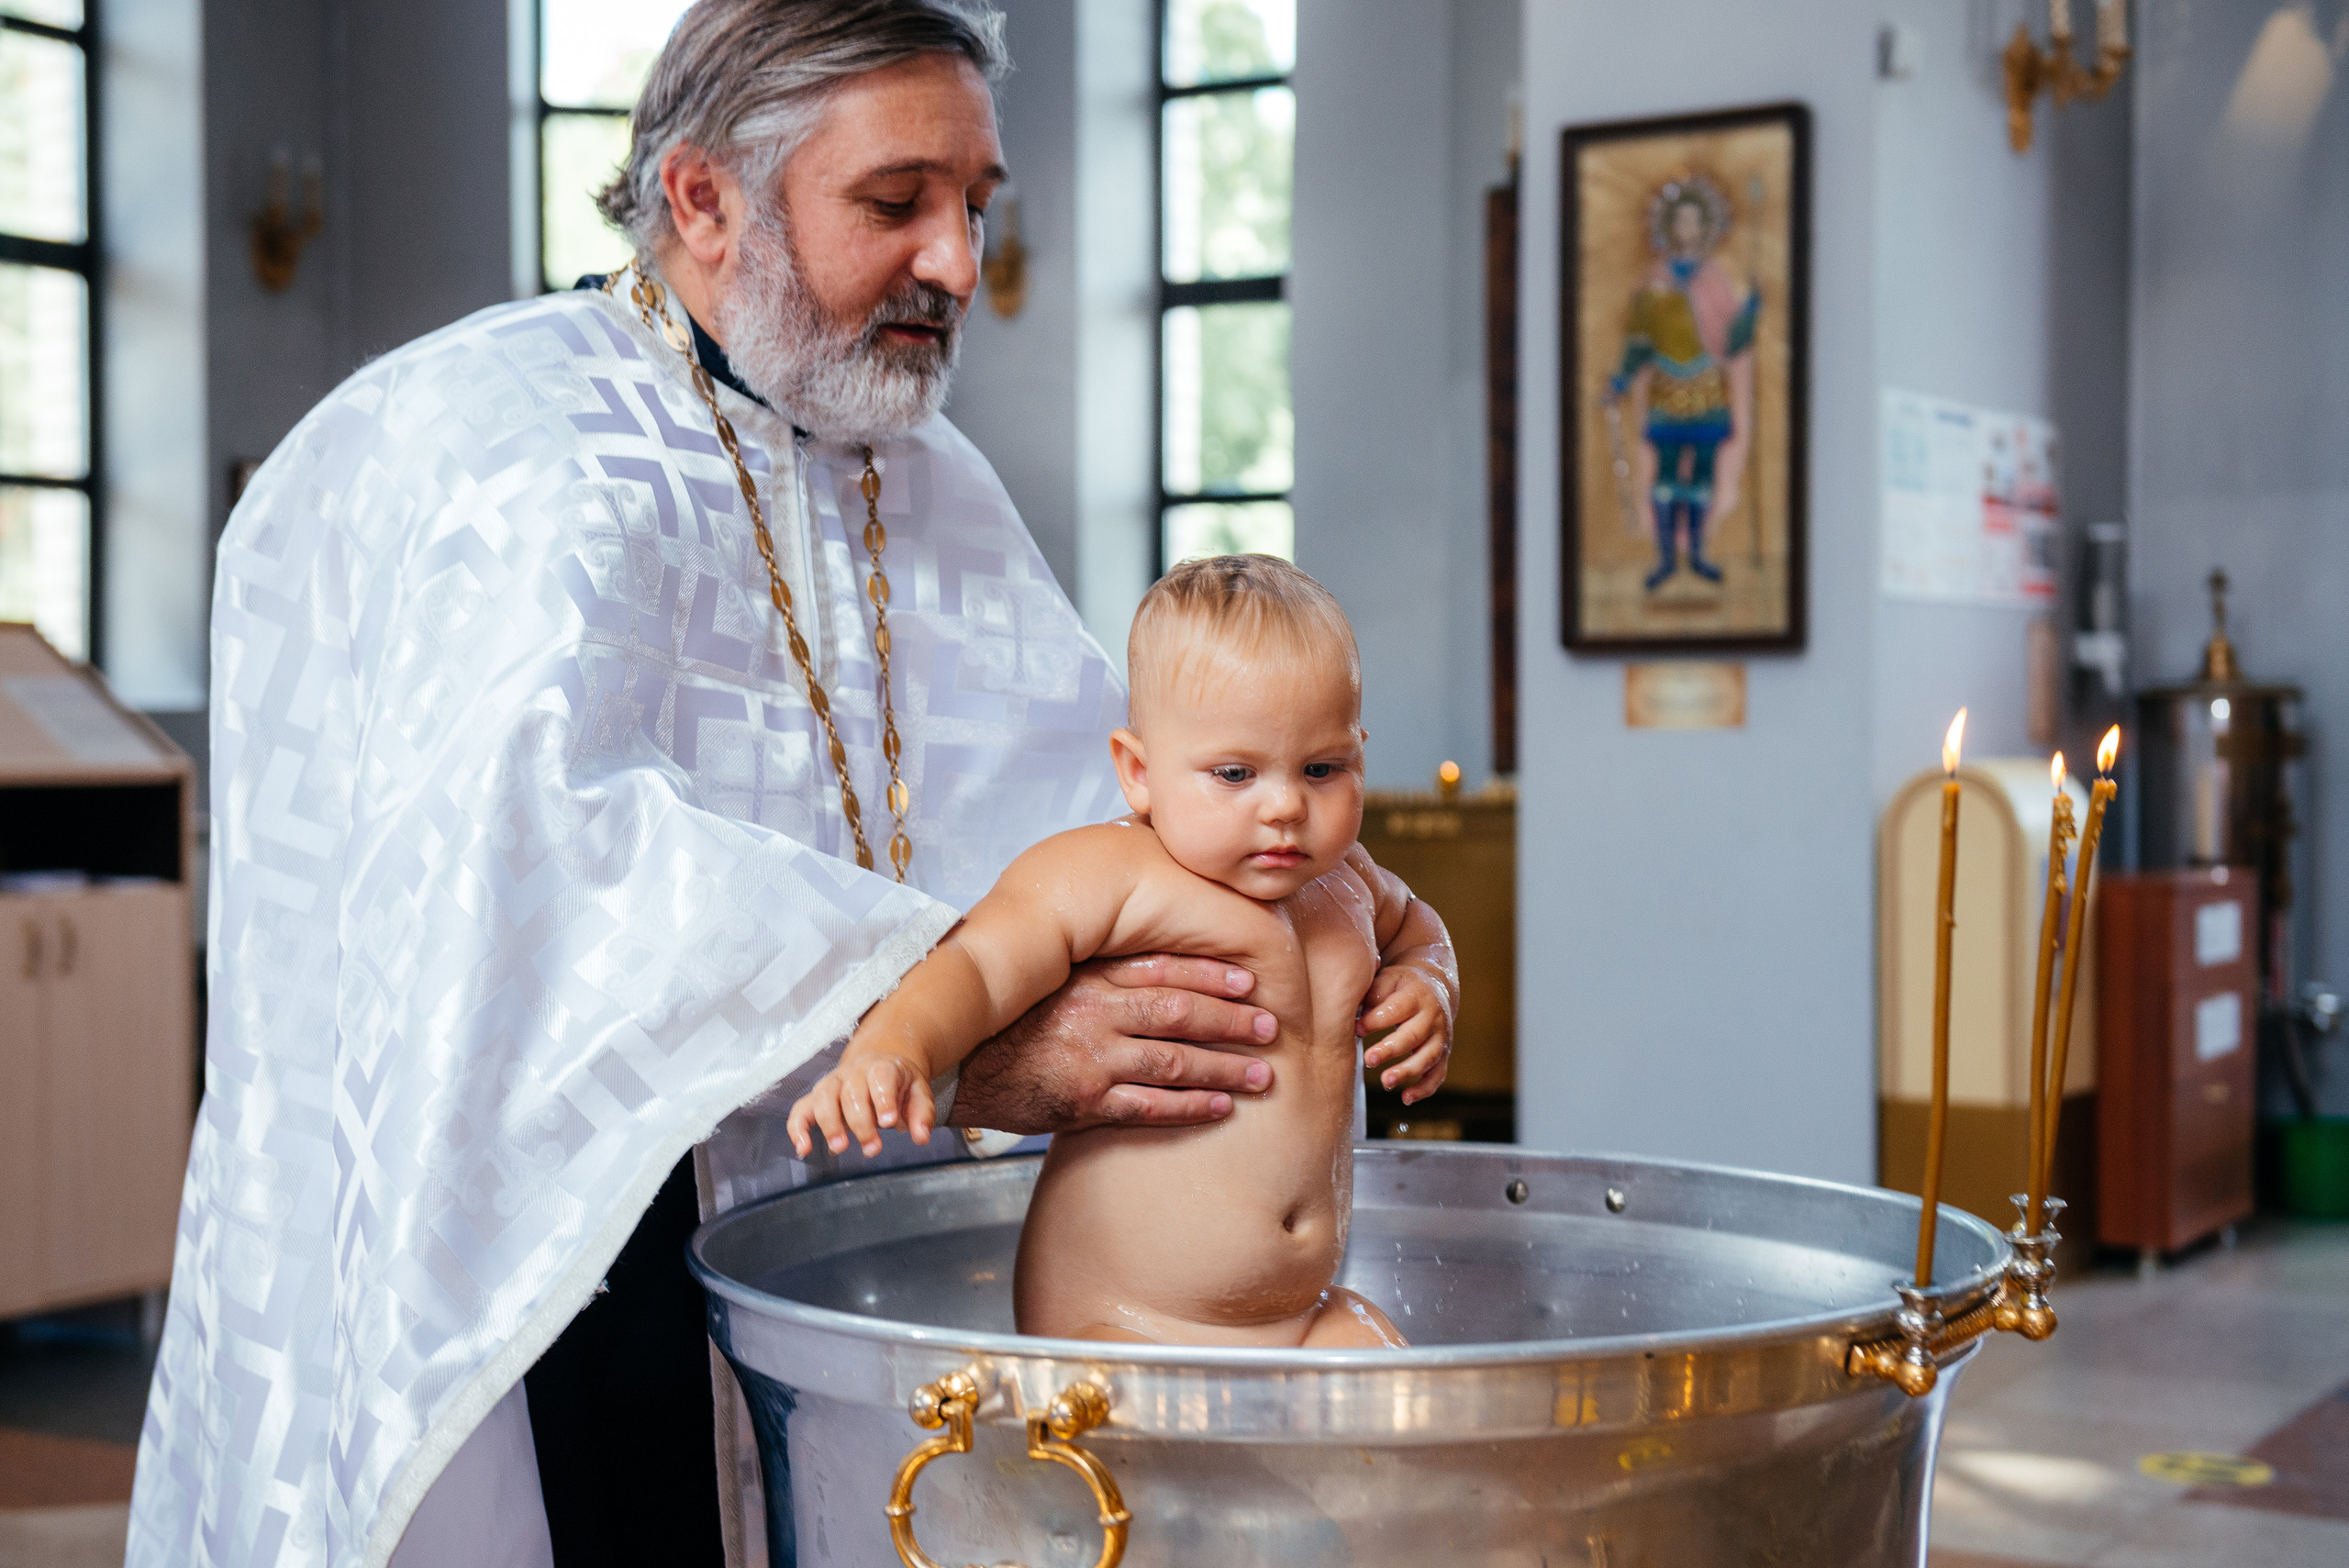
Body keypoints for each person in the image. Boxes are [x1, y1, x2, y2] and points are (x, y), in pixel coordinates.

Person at [125, 6, 1407, 1567]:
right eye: (896, 203)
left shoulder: (931, 478)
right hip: (578, 1243)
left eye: (976, 205)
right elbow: (533, 873)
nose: (957, 261)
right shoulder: (500, 442)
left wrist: (1328, 934)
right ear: (702, 197)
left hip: (844, 1230)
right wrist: (960, 1026)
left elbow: (1110, 800)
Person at [789, 557, 1456, 1347]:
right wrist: (895, 1048)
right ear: (1139, 773)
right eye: (1235, 773)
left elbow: (1419, 925)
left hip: (1296, 1317)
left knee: (1404, 1397)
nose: (1285, 805)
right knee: (1131, 1462)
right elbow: (976, 964)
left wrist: (1427, 983)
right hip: (1120, 1323)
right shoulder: (1111, 873)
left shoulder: (1350, 884)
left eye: (1323, 768)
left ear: (1360, 755)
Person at [1606, 175, 1759, 592]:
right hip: (1667, 390)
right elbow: (1639, 341)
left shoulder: (1714, 280)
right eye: (1680, 221)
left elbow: (1730, 339)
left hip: (1706, 387)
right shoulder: (1654, 282)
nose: (1686, 230)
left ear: (1704, 228)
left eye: (1694, 222)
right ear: (1669, 228)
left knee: (1703, 474)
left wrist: (1749, 315)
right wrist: (1621, 378)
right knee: (1667, 475)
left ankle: (1697, 554)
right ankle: (1665, 560)